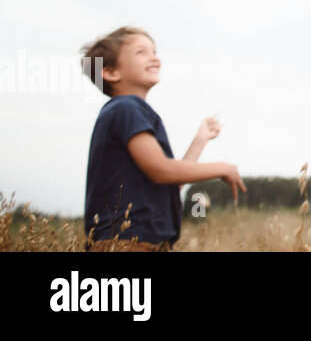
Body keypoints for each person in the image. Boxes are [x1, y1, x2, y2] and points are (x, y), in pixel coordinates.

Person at [80, 27, 245, 251]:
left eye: (154, 51)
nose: (154, 57)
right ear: (110, 72)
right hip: (125, 242)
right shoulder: (126, 108)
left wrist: (201, 139)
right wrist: (222, 168)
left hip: (145, 242)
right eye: (141, 52)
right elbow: (161, 170)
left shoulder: (130, 111)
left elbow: (171, 179)